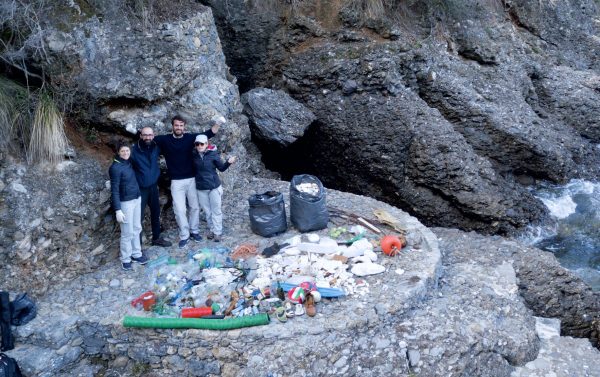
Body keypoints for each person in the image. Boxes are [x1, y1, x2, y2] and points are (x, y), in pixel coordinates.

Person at [154, 115, 223, 248]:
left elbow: (210, 133)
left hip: (192, 179)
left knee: (195, 207)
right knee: (179, 210)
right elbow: (149, 139)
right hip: (176, 181)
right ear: (172, 126)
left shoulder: (191, 138)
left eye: (181, 125)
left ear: (184, 126)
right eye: (176, 125)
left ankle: (194, 231)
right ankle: (184, 235)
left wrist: (219, 122)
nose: (179, 128)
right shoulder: (164, 139)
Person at [130, 127, 172, 247]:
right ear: (141, 136)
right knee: (138, 217)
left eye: (150, 135)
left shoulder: (156, 147)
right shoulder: (134, 150)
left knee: (155, 212)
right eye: (145, 135)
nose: (147, 137)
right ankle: (137, 246)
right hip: (140, 188)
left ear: (153, 135)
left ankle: (156, 238)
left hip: (153, 186)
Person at [109, 142, 148, 270]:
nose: (125, 153)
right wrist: (117, 210)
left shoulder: (129, 162)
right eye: (123, 151)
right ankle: (125, 258)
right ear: (118, 153)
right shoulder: (115, 168)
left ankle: (136, 253)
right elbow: (114, 190)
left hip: (136, 198)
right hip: (125, 202)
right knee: (127, 232)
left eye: (127, 151)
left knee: (137, 227)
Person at [192, 134, 236, 242]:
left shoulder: (213, 154)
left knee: (216, 210)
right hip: (201, 188)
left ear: (207, 144)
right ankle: (212, 229)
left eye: (202, 144)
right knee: (207, 211)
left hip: (214, 187)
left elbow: (221, 168)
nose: (199, 146)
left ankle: (217, 232)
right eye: (197, 144)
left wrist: (228, 163)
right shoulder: (193, 155)